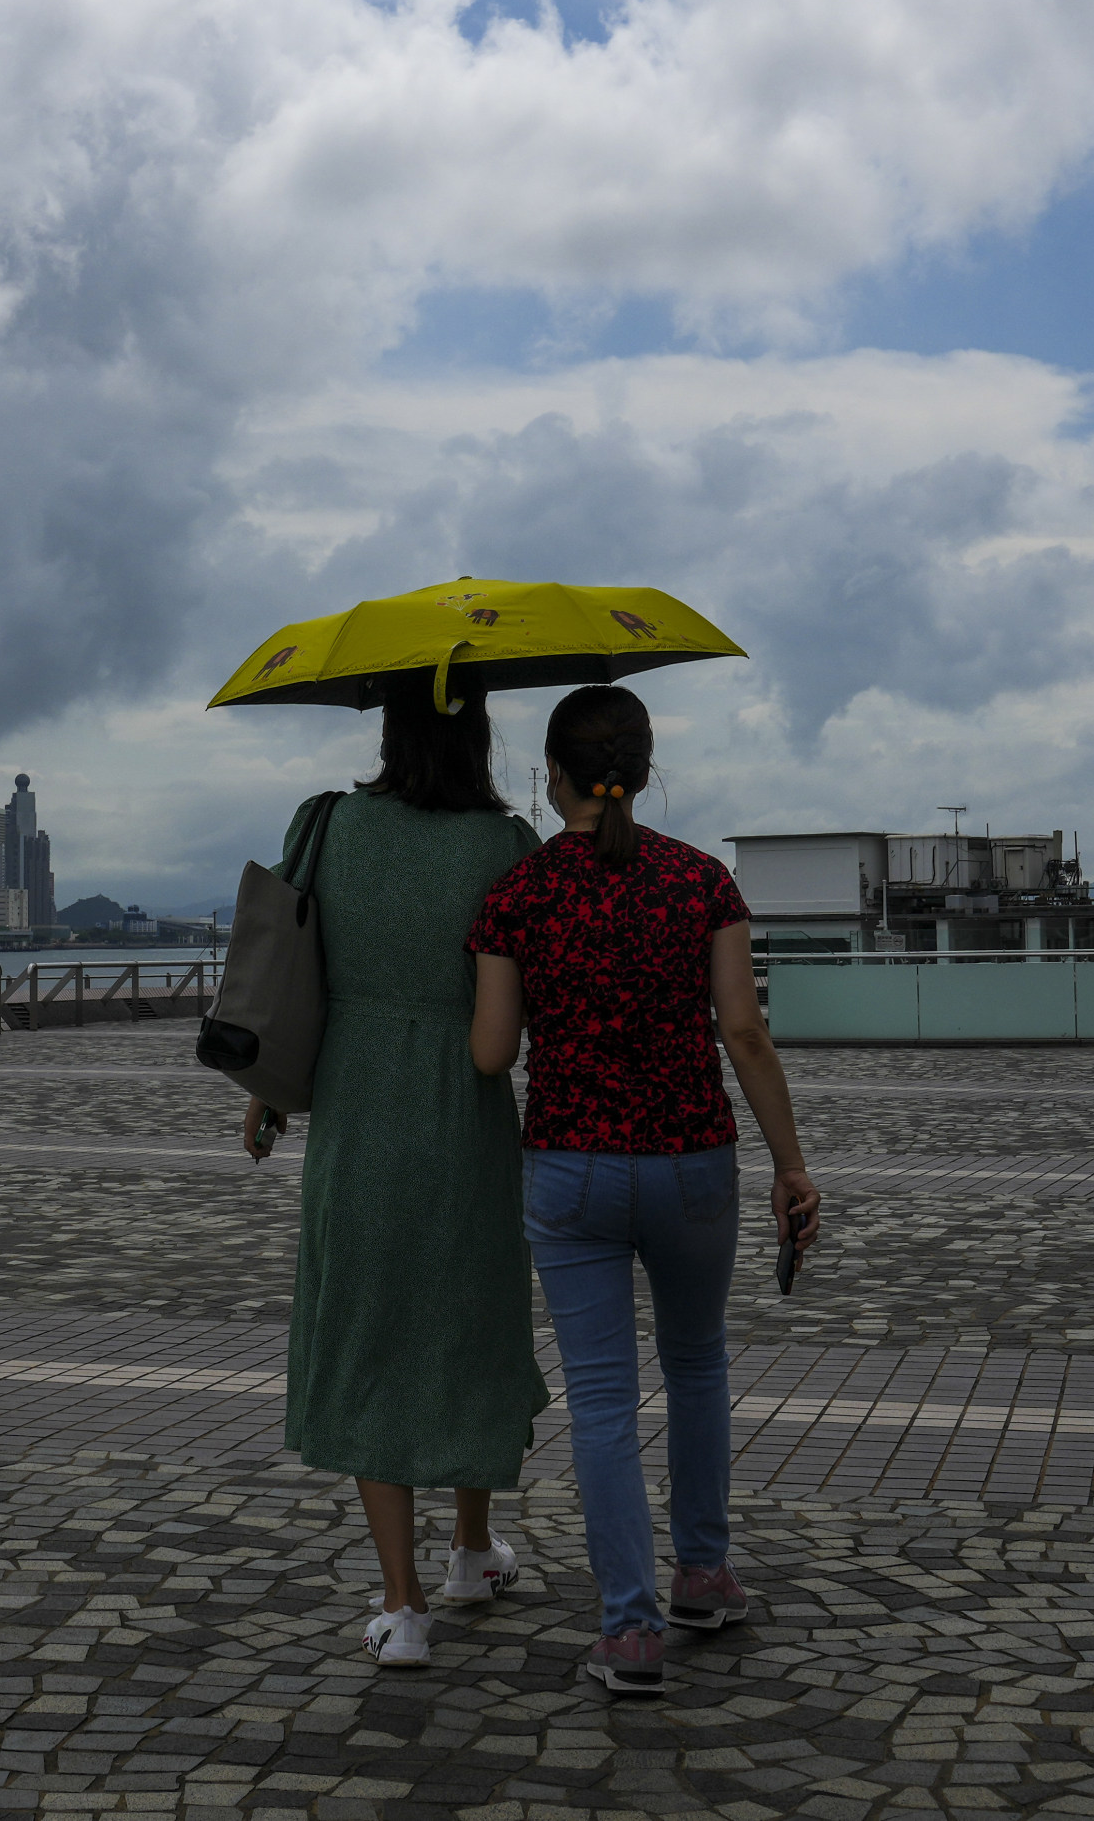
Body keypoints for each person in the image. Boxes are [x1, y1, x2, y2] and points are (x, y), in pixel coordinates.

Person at [468, 681, 821, 1698]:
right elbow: (744, 1034)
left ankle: (628, 1630)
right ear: (646, 767)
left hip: (572, 1166)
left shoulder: (519, 893)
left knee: (604, 1399)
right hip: (692, 1161)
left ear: (552, 773)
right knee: (699, 1363)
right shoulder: (701, 880)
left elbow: (493, 1053)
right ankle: (704, 1573)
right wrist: (792, 1162)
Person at [247, 689, 548, 1668]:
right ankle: (471, 1549)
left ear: (388, 731)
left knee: (372, 1321)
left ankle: (401, 1602)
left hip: (357, 1098)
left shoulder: (326, 822)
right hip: (467, 1098)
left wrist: (268, 1090)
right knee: (464, 1316)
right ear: (476, 737)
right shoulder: (504, 843)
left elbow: (284, 970)